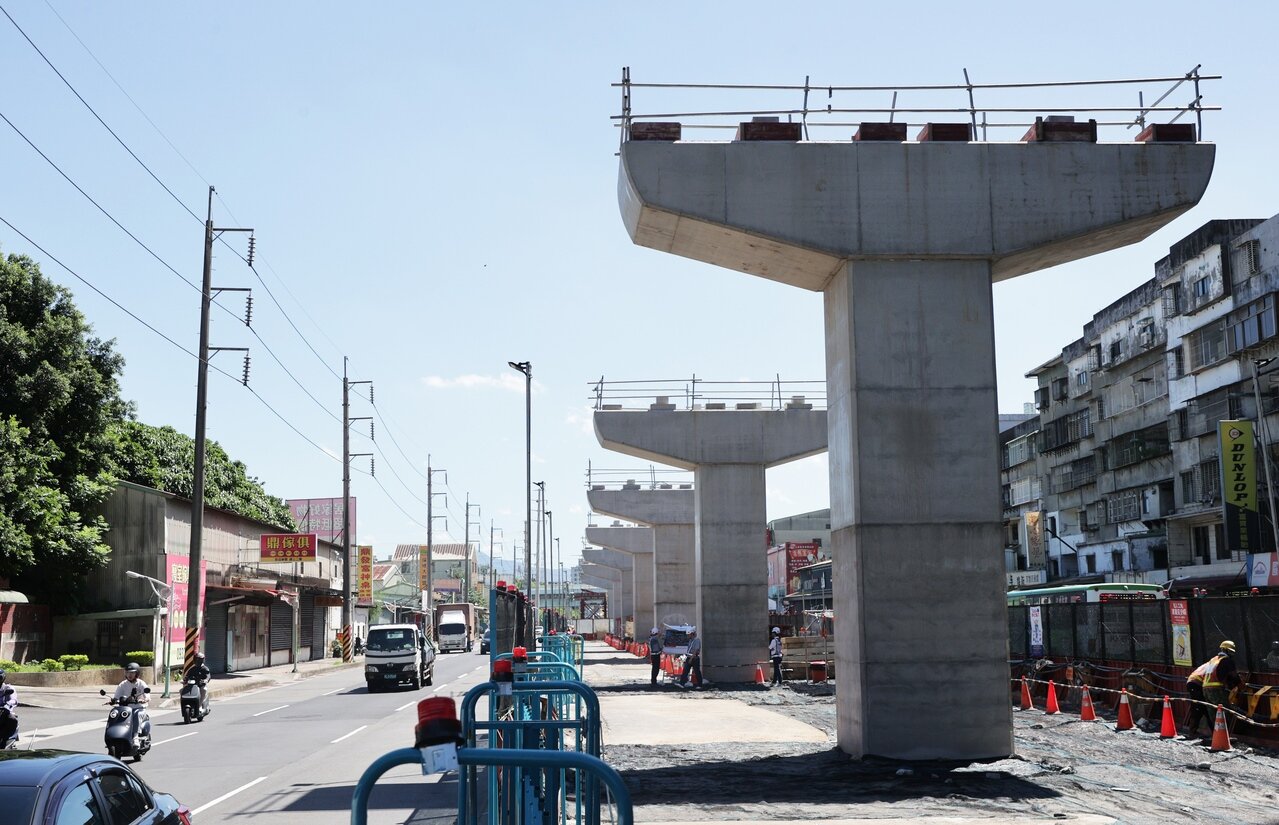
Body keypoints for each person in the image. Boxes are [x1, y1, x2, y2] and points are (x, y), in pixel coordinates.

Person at [1185, 640, 1242, 738]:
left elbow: (1218, 673)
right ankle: (1224, 736)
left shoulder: (1214, 659)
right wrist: (1241, 685)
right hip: (1215, 689)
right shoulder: (1226, 660)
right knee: (1225, 711)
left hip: (1205, 688)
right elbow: (1233, 676)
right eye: (1231, 652)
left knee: (1212, 713)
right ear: (1227, 651)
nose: (1232, 654)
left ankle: (1216, 735)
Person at [0, 668, 17, 747]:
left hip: (4, 712)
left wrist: (8, 704)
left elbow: (13, 700)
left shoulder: (8, 688)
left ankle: (9, 737)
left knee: (12, 719)